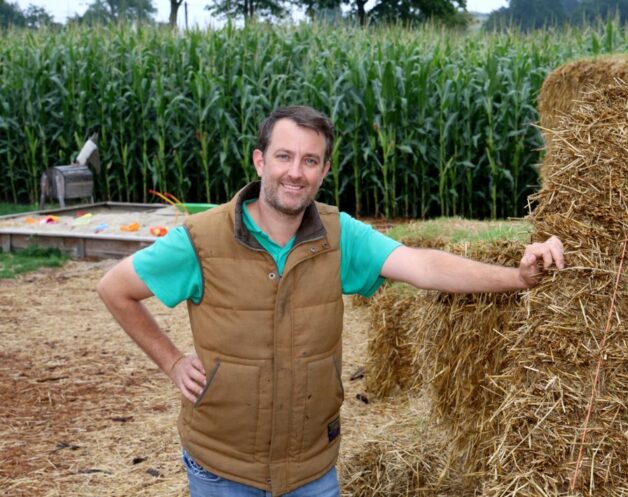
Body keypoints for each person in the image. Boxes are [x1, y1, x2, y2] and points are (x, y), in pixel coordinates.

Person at [97, 105, 565, 497]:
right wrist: (173, 362)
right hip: (223, 468)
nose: (295, 172)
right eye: (284, 156)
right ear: (260, 161)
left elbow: (423, 266)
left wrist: (518, 278)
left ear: (323, 170)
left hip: (311, 470)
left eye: (310, 160)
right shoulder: (202, 241)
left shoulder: (339, 236)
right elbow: (114, 289)